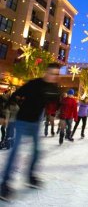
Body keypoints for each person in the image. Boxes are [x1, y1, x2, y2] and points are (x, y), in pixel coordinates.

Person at [0, 63, 61, 201]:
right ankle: (4, 185)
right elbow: (15, 95)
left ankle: (30, 176)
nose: (53, 76)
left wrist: (53, 115)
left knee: (37, 151)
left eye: (56, 74)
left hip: (35, 123)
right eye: (51, 73)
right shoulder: (34, 84)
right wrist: (3, 114)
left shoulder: (54, 89)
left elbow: (56, 102)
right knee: (15, 152)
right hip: (22, 121)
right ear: (46, 72)